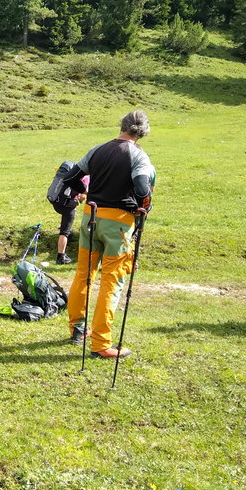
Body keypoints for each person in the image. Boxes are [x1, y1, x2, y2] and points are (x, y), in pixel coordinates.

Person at [63, 110, 156, 358]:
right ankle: (101, 344)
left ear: (122, 126)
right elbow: (142, 189)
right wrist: (143, 206)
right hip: (118, 224)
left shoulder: (97, 150)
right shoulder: (138, 155)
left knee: (83, 275)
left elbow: (70, 177)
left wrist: (85, 191)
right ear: (143, 131)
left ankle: (77, 330)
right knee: (111, 282)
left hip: (90, 217)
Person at [47, 161, 88, 265]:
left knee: (65, 226)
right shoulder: (86, 178)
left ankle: (66, 233)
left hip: (56, 201)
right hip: (68, 206)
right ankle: (61, 257)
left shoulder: (71, 171)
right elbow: (82, 197)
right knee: (64, 233)